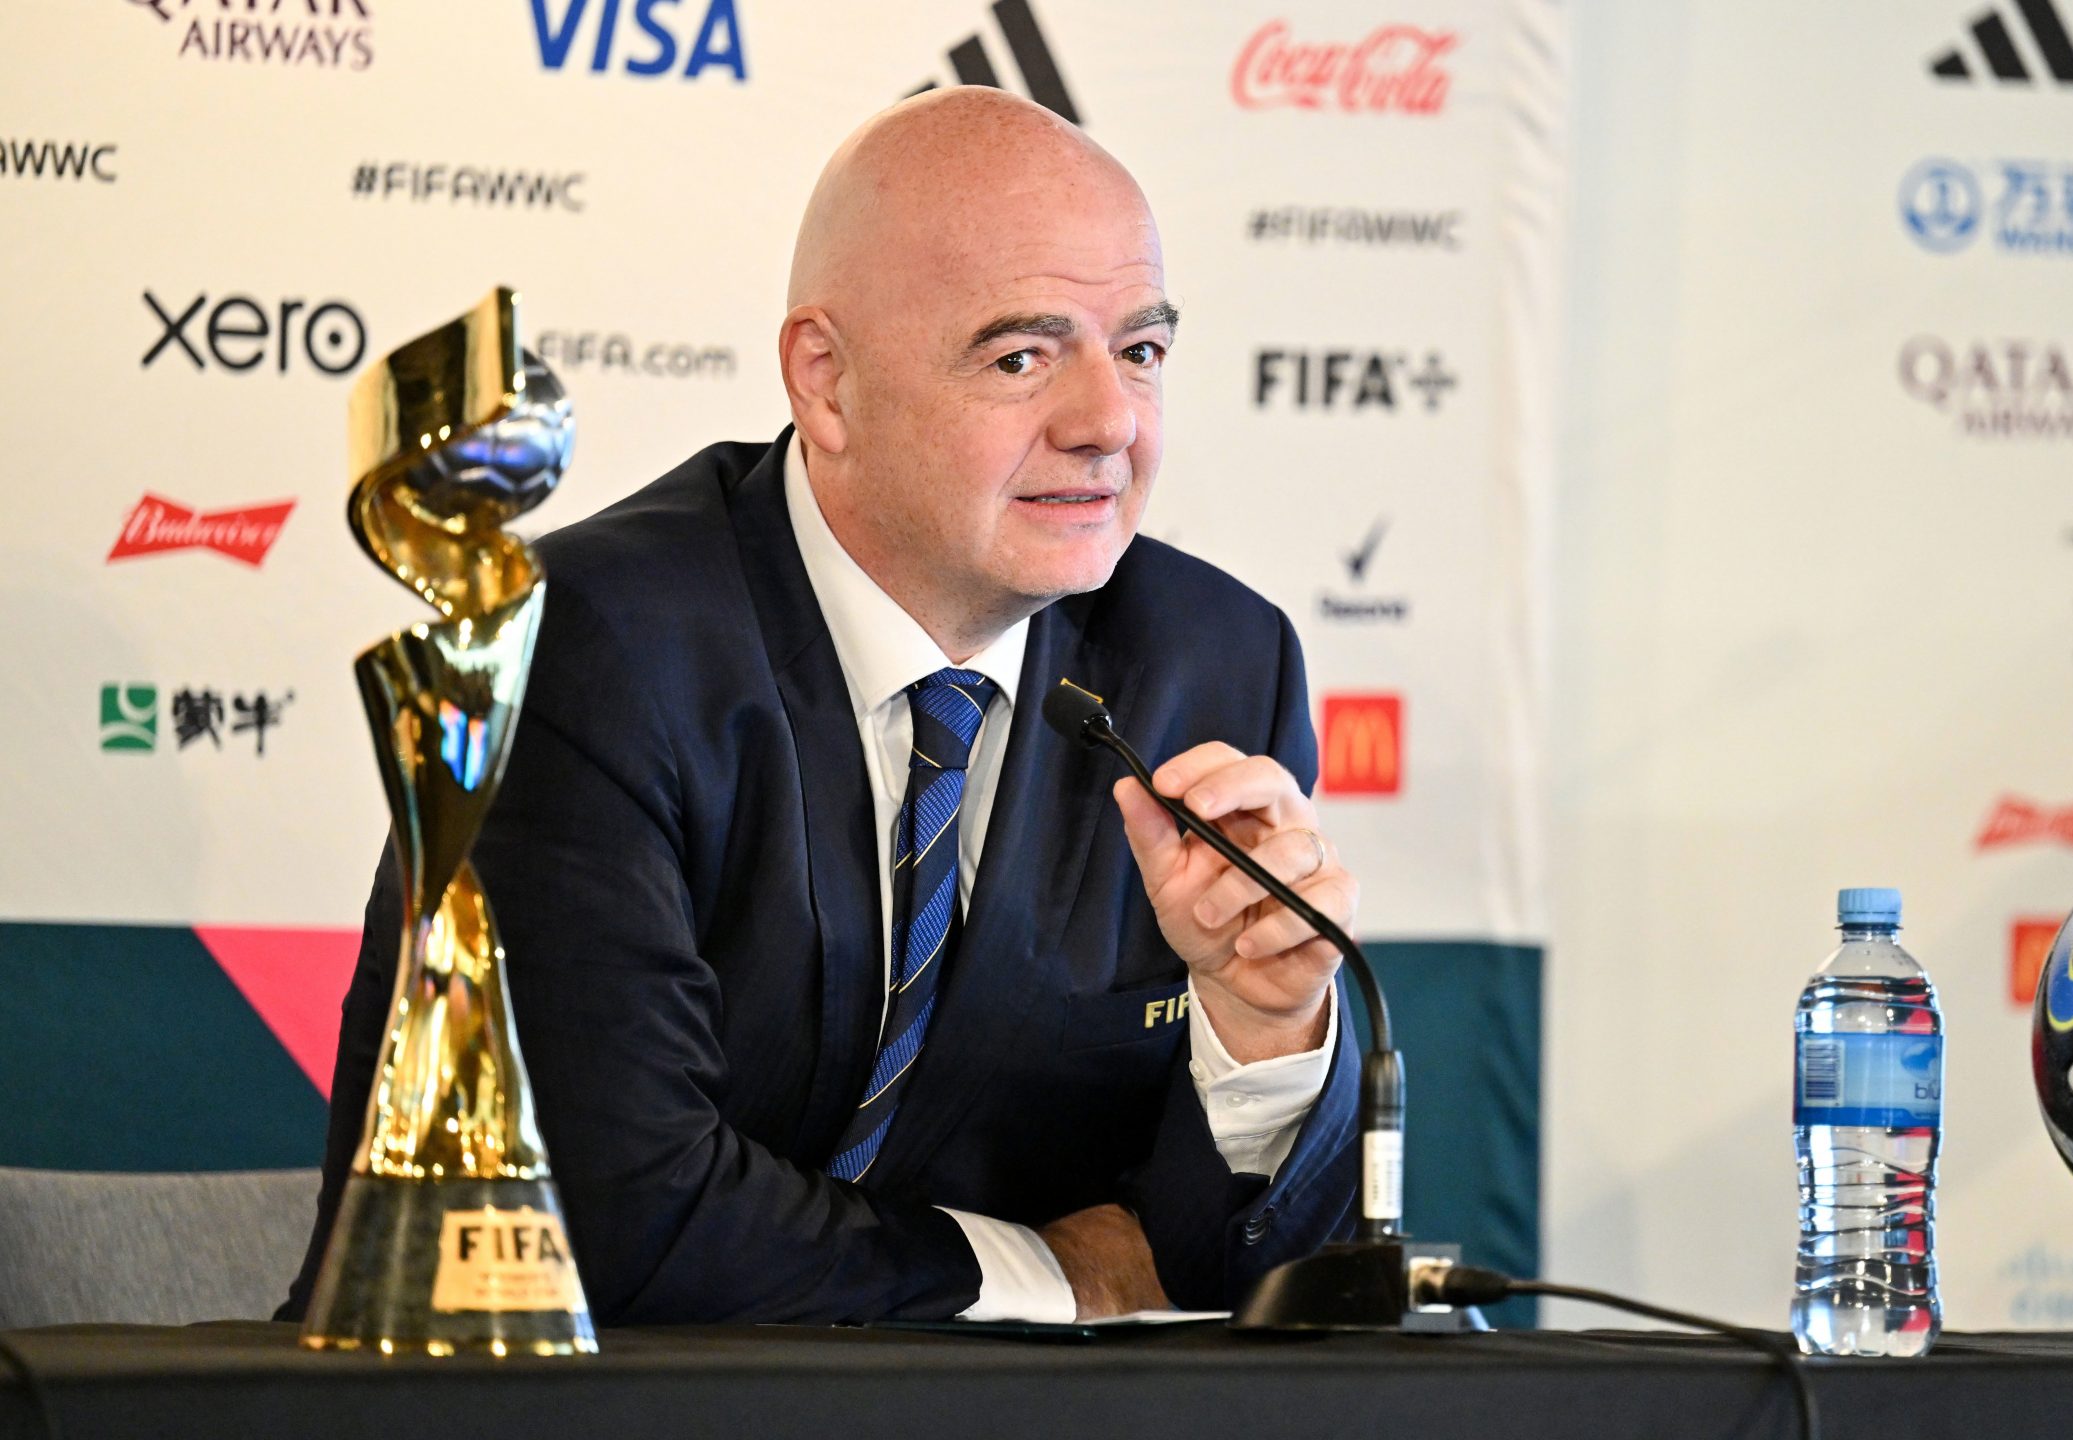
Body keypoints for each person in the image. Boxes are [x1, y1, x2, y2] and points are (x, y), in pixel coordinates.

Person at [280, 87, 1363, 1326]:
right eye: (1020, 356)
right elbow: (604, 1219)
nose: (1107, 421)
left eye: (1141, 351)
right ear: (827, 380)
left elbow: (1273, 1289)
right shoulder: (586, 649)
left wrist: (1262, 1031)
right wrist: (1048, 1273)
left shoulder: (1215, 668)